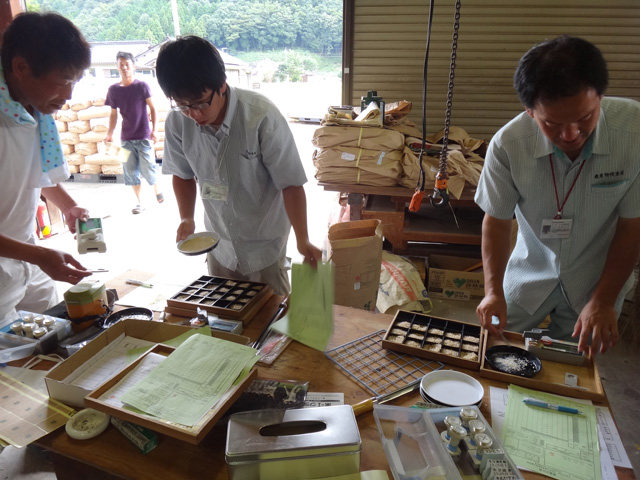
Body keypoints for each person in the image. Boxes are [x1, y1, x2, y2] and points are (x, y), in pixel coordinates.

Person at [475, 35, 640, 354]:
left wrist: (604, 301)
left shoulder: (633, 133)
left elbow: (632, 226)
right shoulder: (508, 146)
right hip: (530, 271)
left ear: (600, 97)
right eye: (552, 123)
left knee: (574, 364)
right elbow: (495, 221)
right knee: (497, 349)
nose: (570, 135)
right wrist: (493, 291)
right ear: (529, 111)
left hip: (597, 278)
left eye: (584, 118)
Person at [155, 36, 322, 296]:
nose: (194, 114)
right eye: (183, 105)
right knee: (224, 320)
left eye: (199, 103)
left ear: (221, 86)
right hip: (217, 245)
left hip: (264, 246)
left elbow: (290, 183)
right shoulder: (178, 121)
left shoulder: (261, 116)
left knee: (273, 322)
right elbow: (182, 174)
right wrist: (186, 217)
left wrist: (303, 239)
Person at [0, 12, 93, 323]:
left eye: (74, 82)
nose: (68, 96)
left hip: (25, 252)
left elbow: (30, 173)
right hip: (17, 256)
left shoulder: (33, 112)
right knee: (13, 365)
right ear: (21, 67)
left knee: (53, 335)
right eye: (63, 82)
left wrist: (68, 206)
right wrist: (40, 256)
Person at [104, 51, 163, 214]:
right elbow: (113, 115)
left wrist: (155, 130)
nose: (124, 67)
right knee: (130, 172)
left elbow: (153, 108)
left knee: (149, 168)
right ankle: (139, 203)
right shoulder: (113, 89)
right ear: (117, 67)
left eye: (126, 64)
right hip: (125, 139)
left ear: (133, 66)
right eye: (120, 64)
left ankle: (158, 189)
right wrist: (109, 134)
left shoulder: (141, 86)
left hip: (144, 135)